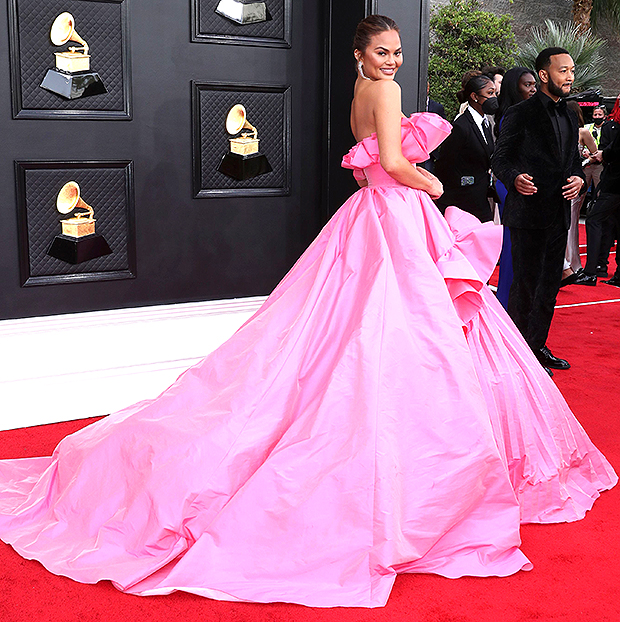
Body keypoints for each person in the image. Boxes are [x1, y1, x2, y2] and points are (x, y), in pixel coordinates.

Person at [0, 18, 615, 609]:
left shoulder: (360, 90)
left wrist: (403, 176)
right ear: (361, 56)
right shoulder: (387, 91)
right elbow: (396, 164)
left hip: (370, 216)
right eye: (383, 53)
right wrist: (430, 186)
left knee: (353, 334)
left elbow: (369, 158)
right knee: (406, 333)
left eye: (398, 52)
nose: (393, 61)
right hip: (395, 215)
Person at [492, 47, 585, 375]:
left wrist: (579, 178)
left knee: (548, 287)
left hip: (558, 215)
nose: (570, 76)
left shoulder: (571, 114)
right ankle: (518, 354)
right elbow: (500, 159)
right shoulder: (521, 113)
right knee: (526, 286)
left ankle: (537, 346)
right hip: (528, 215)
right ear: (544, 75)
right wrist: (515, 178)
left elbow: (573, 160)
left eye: (572, 70)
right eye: (563, 71)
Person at [493, 67, 537, 309]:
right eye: (527, 85)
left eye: (534, 85)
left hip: (522, 184)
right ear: (514, 87)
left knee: (522, 249)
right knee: (513, 248)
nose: (532, 89)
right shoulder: (512, 115)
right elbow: (504, 157)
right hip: (512, 185)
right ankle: (507, 303)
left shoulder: (526, 113)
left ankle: (513, 302)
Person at [434, 73, 498, 222]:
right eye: (489, 93)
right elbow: (445, 165)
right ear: (475, 96)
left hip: (480, 198)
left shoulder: (486, 123)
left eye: (495, 92)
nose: (494, 97)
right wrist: (467, 182)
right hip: (461, 202)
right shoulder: (461, 126)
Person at [573, 99, 620, 286]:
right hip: (612, 180)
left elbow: (615, 150)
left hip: (615, 183)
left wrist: (603, 155)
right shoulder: (612, 126)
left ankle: (591, 271)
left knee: (593, 219)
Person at [562, 100, 598, 279]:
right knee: (563, 223)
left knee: (571, 223)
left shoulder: (583, 132)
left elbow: (596, 155)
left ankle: (572, 264)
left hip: (577, 183)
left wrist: (582, 164)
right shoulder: (561, 131)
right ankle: (565, 264)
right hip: (561, 182)